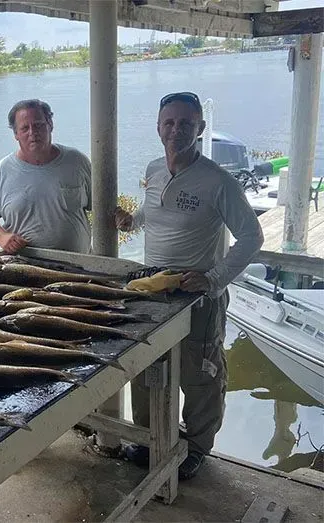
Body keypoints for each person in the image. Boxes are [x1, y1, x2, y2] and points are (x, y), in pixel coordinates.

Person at [114, 91, 264, 479]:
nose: (176, 130)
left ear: (199, 128)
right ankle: (150, 438)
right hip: (152, 288)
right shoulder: (154, 169)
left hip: (197, 292)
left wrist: (213, 280)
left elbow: (251, 236)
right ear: (158, 127)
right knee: (146, 367)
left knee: (202, 375)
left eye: (185, 123)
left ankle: (196, 447)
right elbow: (153, 212)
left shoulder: (217, 181)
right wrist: (131, 222)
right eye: (169, 122)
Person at [0, 99, 91, 254]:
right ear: (16, 134)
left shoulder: (77, 161)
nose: (32, 133)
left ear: (50, 124)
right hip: (25, 266)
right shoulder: (2, 171)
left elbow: (101, 204)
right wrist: (2, 237)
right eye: (25, 128)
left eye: (38, 125)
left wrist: (121, 217)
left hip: (79, 266)